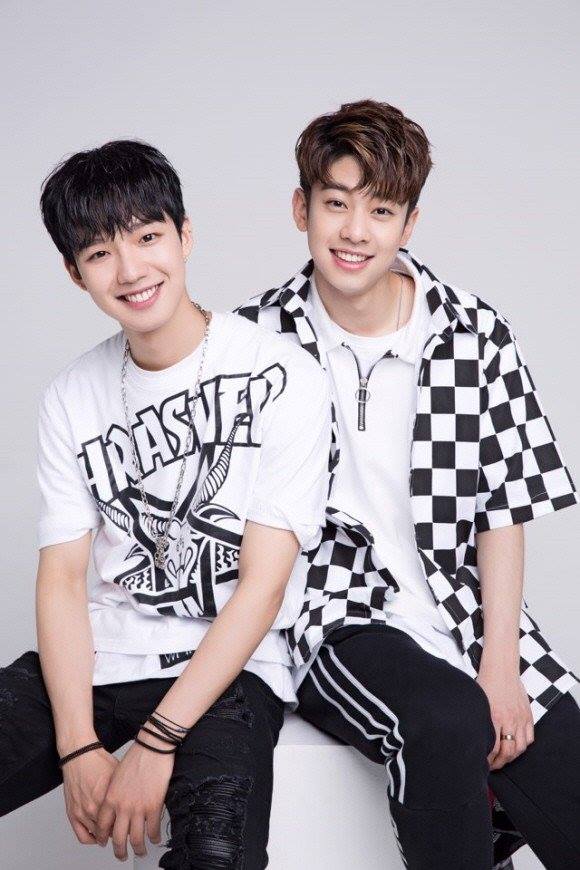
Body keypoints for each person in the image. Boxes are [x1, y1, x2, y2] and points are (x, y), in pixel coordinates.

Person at [235, 100, 580, 869]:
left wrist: (501, 665)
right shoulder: (251, 343)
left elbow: (503, 508)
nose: (355, 231)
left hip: (462, 611)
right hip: (333, 612)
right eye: (336, 204)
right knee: (448, 720)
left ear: (409, 223)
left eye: (381, 210)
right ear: (301, 209)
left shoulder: (475, 332)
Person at [0, 140, 332, 868]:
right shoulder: (72, 396)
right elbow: (62, 580)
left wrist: (156, 741)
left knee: (217, 856)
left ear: (184, 236)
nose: (130, 271)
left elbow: (264, 585)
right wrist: (78, 746)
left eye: (148, 238)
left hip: (229, 671)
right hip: (104, 655)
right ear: (74, 272)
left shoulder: (282, 375)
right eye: (99, 253)